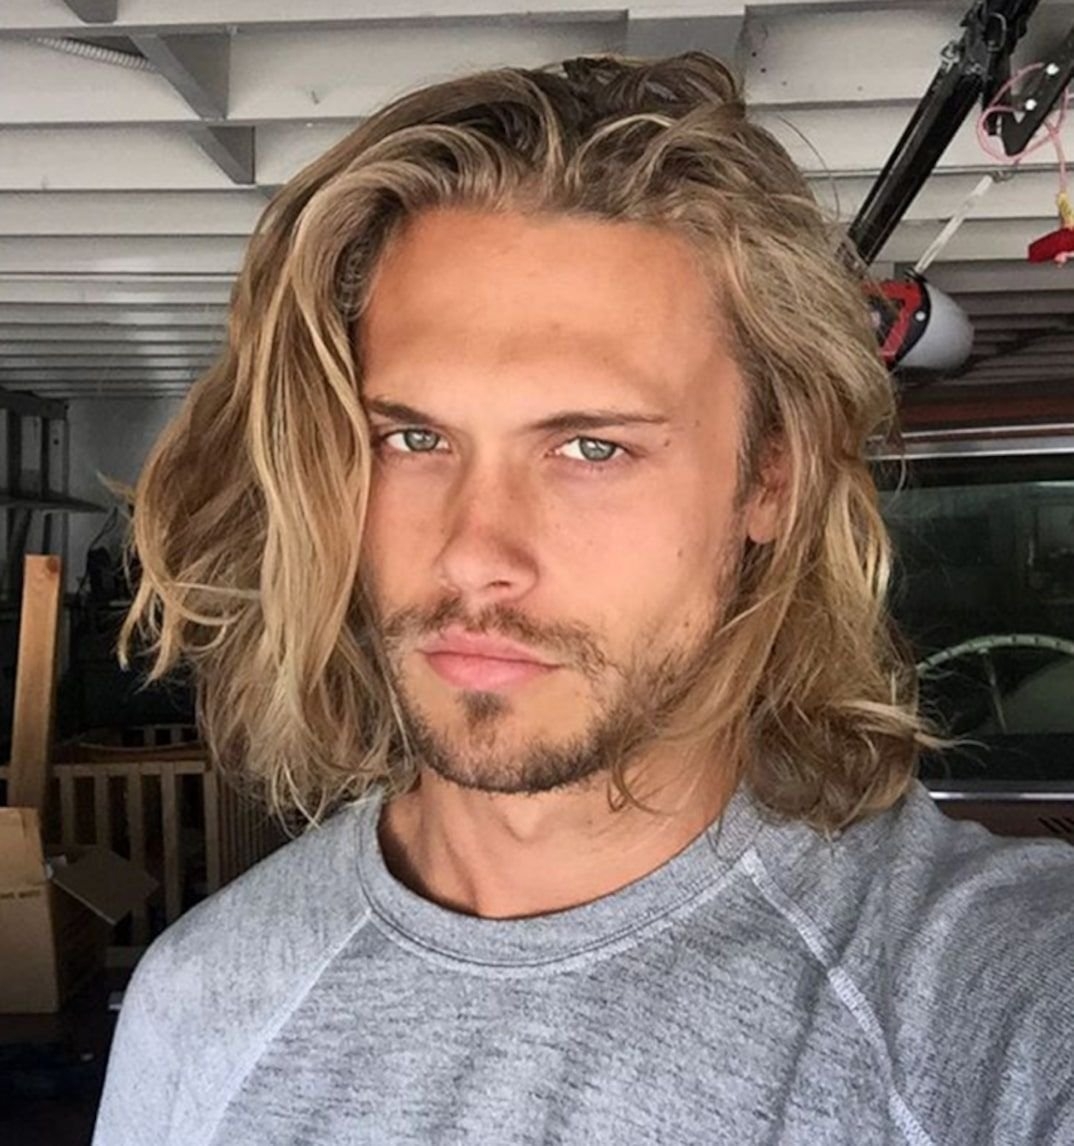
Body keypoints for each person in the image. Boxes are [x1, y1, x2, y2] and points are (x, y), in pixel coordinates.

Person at [91, 53, 1073, 1146]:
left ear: (770, 480)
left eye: (591, 447)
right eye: (412, 439)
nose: (475, 555)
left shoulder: (1001, 1002)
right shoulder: (205, 1004)